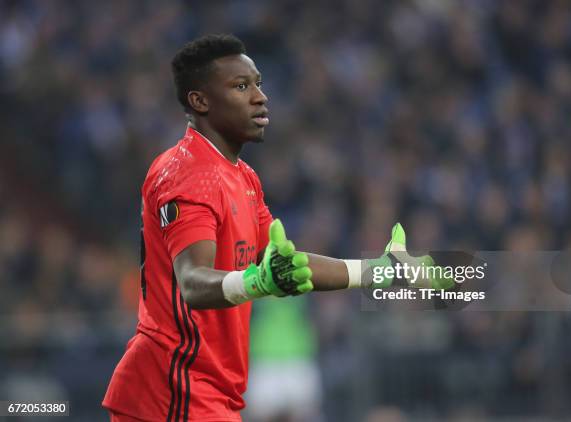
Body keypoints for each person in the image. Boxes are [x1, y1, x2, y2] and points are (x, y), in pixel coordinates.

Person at [102, 34, 447, 422]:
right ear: (200, 101)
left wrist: (376, 272)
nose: (260, 97)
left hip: (205, 392)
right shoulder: (186, 174)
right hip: (174, 389)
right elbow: (192, 282)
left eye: (258, 84)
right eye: (240, 86)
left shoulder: (243, 178)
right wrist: (255, 283)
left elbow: (289, 264)